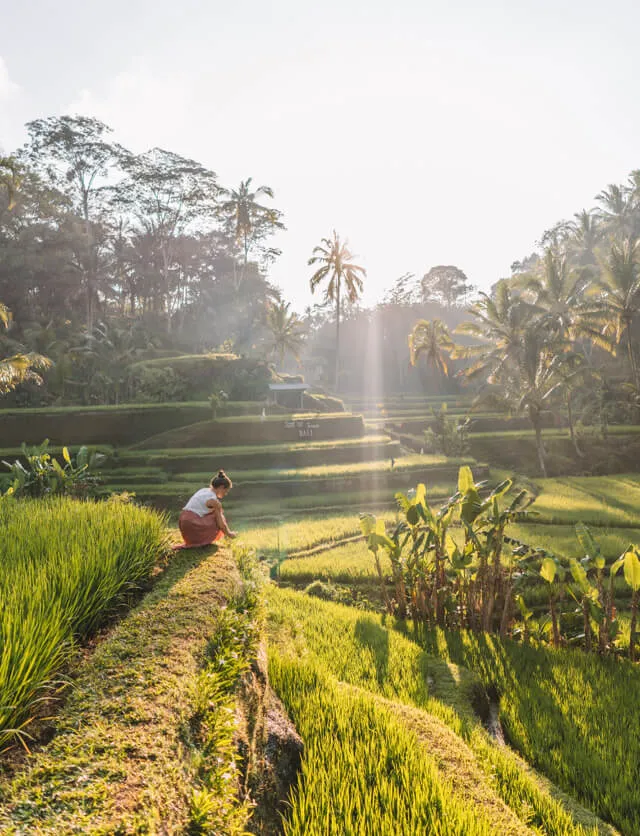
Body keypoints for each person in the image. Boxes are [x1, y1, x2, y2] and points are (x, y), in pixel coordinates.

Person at [174, 470, 237, 549]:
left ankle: (192, 541)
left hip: (183, 521)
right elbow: (221, 523)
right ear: (221, 487)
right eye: (226, 490)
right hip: (192, 524)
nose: (226, 493)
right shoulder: (214, 501)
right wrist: (229, 534)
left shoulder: (203, 490)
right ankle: (200, 541)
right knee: (219, 516)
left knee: (216, 512)